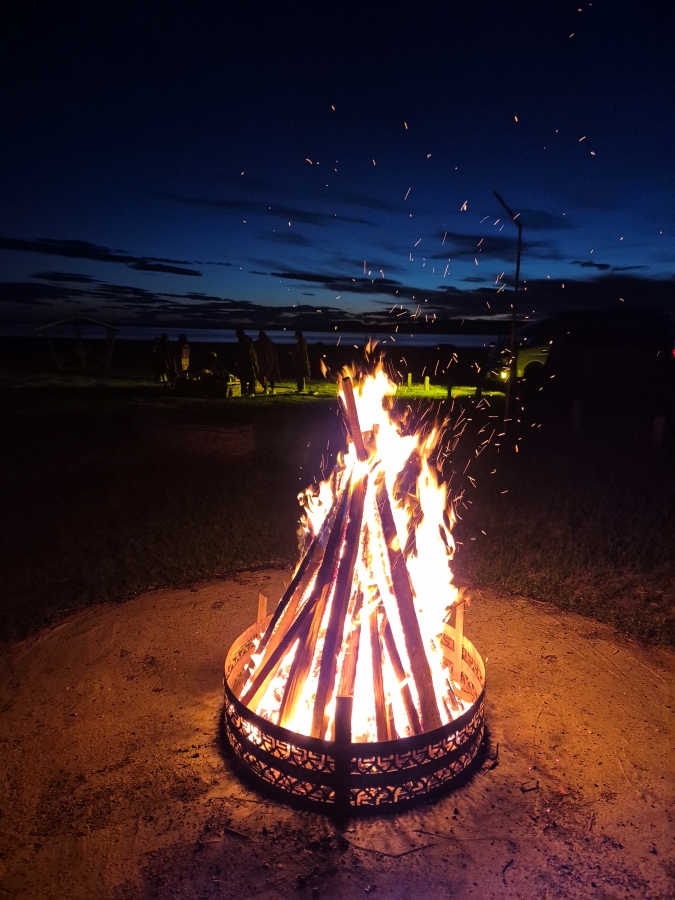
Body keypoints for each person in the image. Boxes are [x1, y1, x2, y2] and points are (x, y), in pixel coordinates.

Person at [236, 329, 260, 396]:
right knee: (245, 376)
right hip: (248, 361)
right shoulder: (247, 339)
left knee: (250, 376)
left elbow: (245, 352)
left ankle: (251, 392)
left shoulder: (244, 341)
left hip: (248, 361)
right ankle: (246, 391)